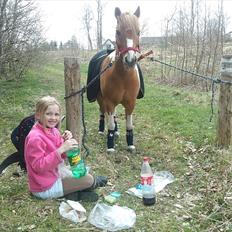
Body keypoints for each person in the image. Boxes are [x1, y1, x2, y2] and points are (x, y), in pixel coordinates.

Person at [25, 96, 107, 201]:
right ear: (38, 115)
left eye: (56, 114)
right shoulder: (35, 138)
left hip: (53, 175)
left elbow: (61, 156)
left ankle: (76, 193)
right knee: (88, 179)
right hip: (44, 187)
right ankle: (89, 185)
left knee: (81, 171)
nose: (53, 118)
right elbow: (38, 166)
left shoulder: (53, 130)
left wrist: (64, 142)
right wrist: (61, 149)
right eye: (48, 114)